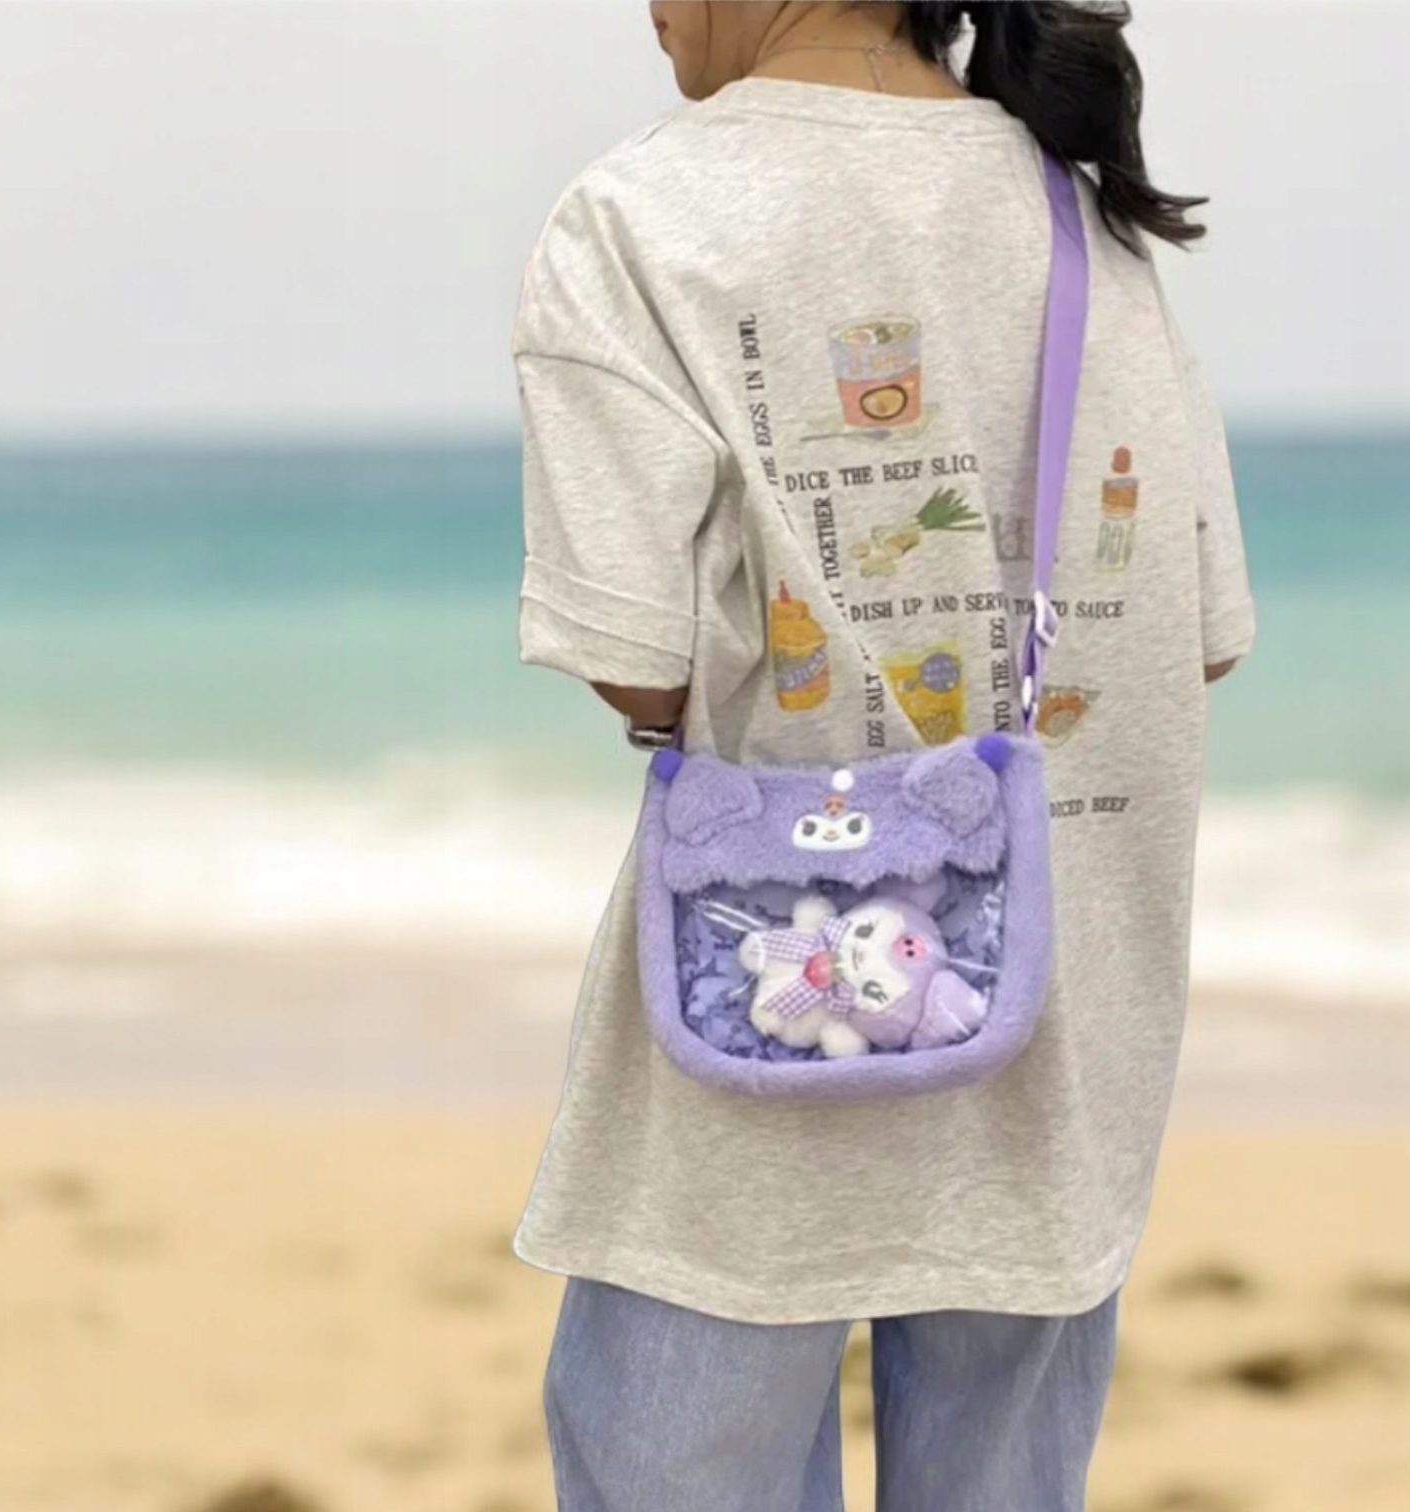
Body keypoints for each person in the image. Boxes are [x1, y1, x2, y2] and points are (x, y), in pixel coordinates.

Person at [509, 2, 1255, 1507]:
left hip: (764, 1002)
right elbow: (1198, 636)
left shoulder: (641, 216)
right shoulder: (1086, 217)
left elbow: (634, 656)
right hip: (1054, 1043)